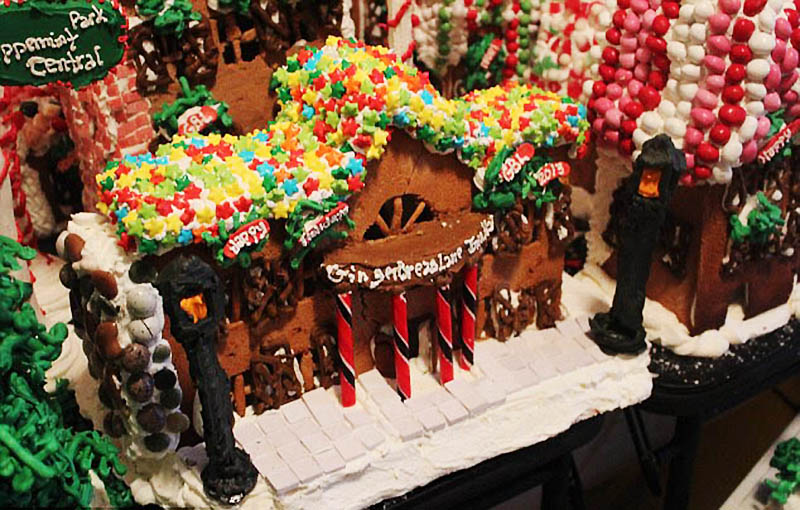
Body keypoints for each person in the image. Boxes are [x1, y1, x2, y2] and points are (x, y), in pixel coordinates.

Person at [590, 134, 686, 354]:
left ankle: (628, 323)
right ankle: (618, 316)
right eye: (647, 173)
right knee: (625, 277)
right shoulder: (638, 192)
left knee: (633, 281)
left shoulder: (655, 202)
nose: (648, 181)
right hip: (630, 238)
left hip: (642, 241)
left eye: (654, 175)